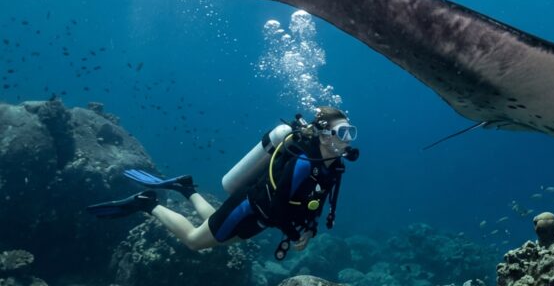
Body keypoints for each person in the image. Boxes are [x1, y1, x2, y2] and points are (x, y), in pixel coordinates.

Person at [87, 107, 359, 259]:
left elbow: (317, 202)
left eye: (351, 132)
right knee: (195, 241)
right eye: (343, 132)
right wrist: (294, 233)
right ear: (325, 135)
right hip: (249, 208)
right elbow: (278, 205)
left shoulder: (333, 167)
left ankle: (185, 188)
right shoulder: (304, 163)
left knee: (220, 234)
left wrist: (309, 228)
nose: (348, 139)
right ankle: (147, 203)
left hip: (262, 218)